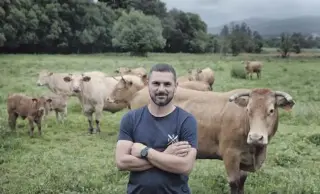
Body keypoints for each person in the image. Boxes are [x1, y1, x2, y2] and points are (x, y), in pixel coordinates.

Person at [115, 63, 198, 194]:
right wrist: (166, 155)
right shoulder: (131, 119)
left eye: (167, 84)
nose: (161, 89)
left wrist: (146, 152)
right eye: (156, 83)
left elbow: (185, 166)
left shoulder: (186, 121)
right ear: (148, 84)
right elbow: (122, 162)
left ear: (175, 86)